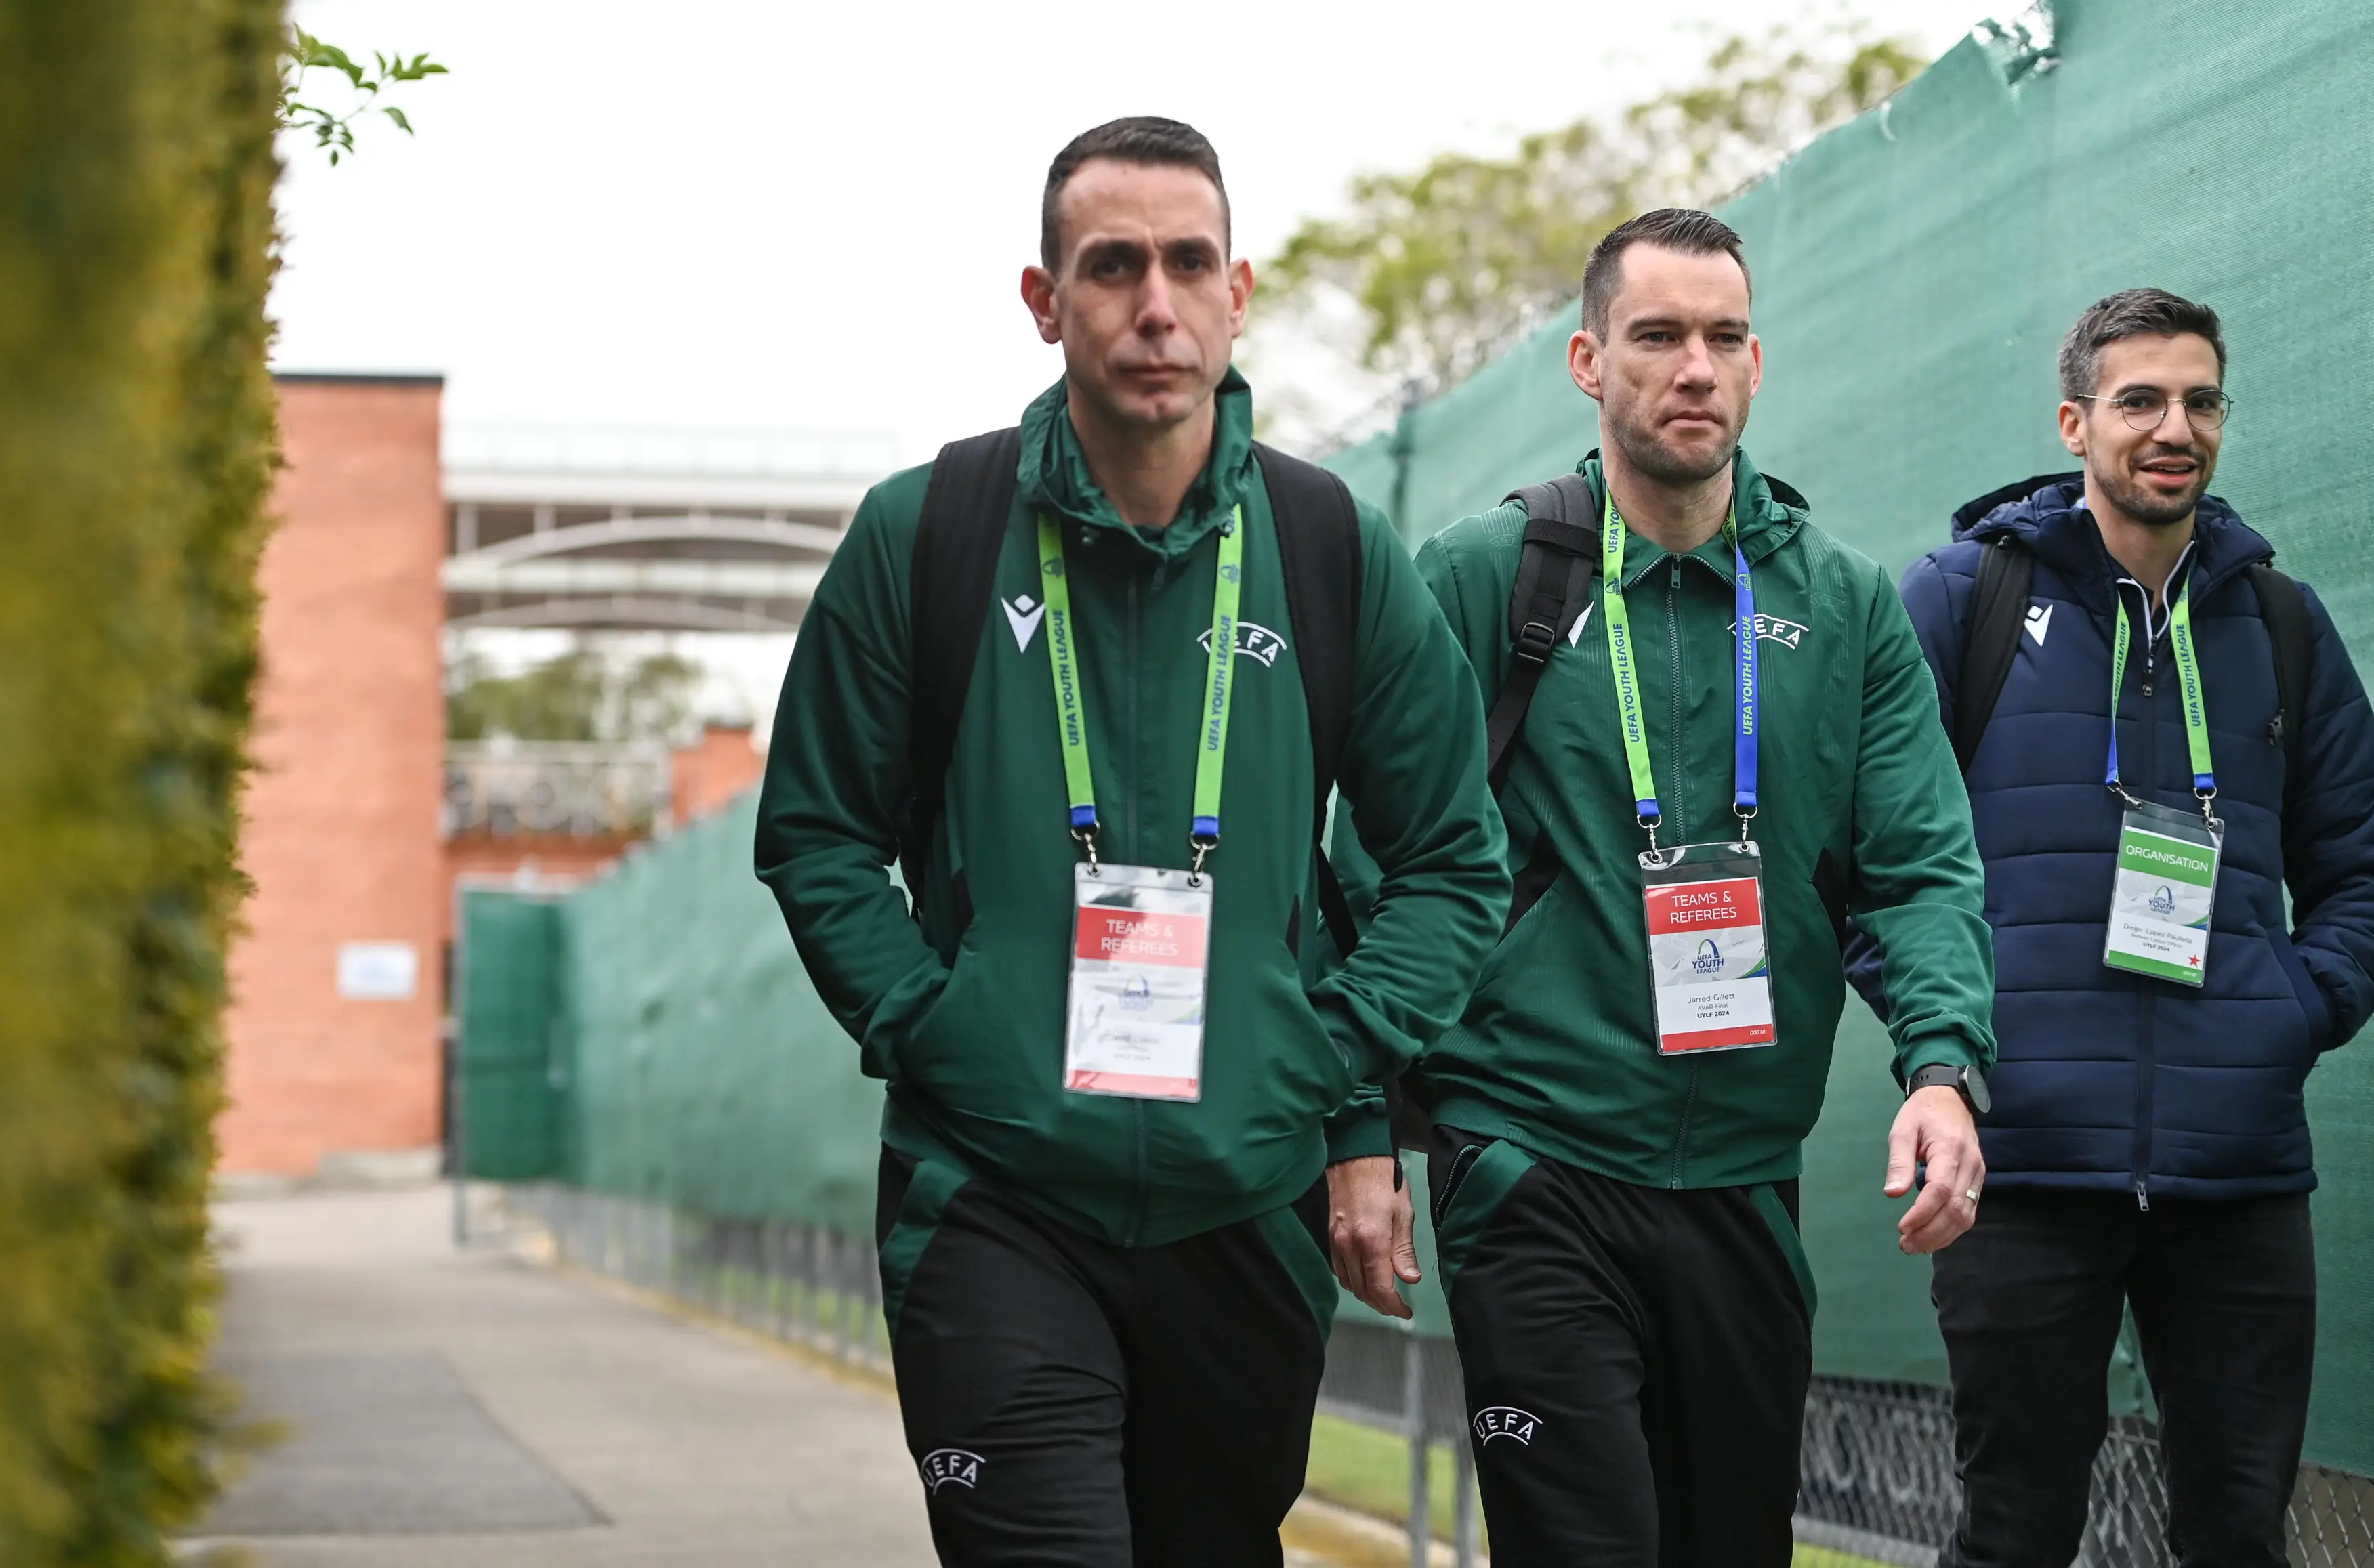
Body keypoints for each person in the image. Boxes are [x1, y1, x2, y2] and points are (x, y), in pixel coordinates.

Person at [752, 116, 1507, 1568]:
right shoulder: (930, 533)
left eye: (1187, 263)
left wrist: (1328, 1054)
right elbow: (821, 832)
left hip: (1247, 1204)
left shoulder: (1336, 547)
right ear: (1045, 301)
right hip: (999, 1194)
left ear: (1239, 291)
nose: (1154, 304)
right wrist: (933, 1019)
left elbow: (1452, 858)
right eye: (1112, 267)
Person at [1399, 207, 1999, 1568]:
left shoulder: (1839, 608)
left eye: (1724, 337)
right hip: (1533, 1158)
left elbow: (1920, 864)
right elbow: (1382, 866)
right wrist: (1367, 1123)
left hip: (1742, 1177)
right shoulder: (1487, 581)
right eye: (1658, 336)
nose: (1694, 367)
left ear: (1757, 361)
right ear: (1587, 360)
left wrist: (1945, 1065)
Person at [1879, 288, 2374, 1568]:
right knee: (2016, 1533)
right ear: (2077, 422)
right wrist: (1947, 1052)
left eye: (2200, 400)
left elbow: (2370, 871)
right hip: (2017, 1165)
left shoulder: (2281, 623)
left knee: (2238, 1535)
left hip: (2238, 1181)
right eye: (2139, 400)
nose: (2173, 427)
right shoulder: (1963, 602)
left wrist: (2291, 1013)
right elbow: (1868, 864)